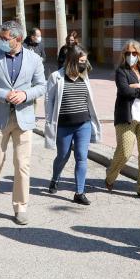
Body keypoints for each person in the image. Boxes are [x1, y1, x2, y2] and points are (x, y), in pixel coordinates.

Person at [0, 20, 46, 225]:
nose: (1, 41)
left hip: (23, 118)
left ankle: (20, 206)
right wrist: (3, 94)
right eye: (0, 37)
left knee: (22, 164)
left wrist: (25, 94)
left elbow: (41, 86)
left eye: (5, 38)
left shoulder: (34, 59)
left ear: (17, 39)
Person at [44, 45, 102, 205]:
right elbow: (49, 100)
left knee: (81, 157)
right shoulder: (56, 76)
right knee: (63, 155)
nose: (85, 64)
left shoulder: (85, 76)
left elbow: (88, 99)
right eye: (82, 61)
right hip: (63, 125)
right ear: (73, 60)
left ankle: (79, 192)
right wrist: (49, 121)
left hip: (83, 124)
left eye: (85, 61)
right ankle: (55, 179)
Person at [104, 40, 140, 200]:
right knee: (124, 152)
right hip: (126, 117)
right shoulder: (121, 71)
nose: (131, 56)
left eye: (134, 53)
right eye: (127, 53)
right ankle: (110, 176)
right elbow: (125, 91)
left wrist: (138, 87)